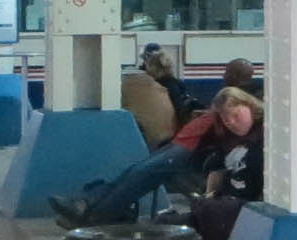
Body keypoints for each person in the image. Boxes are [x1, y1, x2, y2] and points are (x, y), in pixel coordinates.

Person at [50, 92, 219, 228]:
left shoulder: (235, 102)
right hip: (181, 143)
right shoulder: (227, 100)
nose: (227, 75)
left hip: (187, 150)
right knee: (133, 170)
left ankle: (92, 215)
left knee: (141, 172)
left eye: (232, 73)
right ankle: (86, 204)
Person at [182, 88, 264, 240]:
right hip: (226, 199)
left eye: (235, 115)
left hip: (248, 204)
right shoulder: (226, 139)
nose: (232, 123)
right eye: (226, 120)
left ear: (250, 106)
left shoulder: (267, 136)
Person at [123, 48, 183, 150]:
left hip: (163, 138)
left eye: (146, 65)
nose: (144, 69)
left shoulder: (154, 87)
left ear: (153, 67)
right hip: (173, 133)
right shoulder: (177, 84)